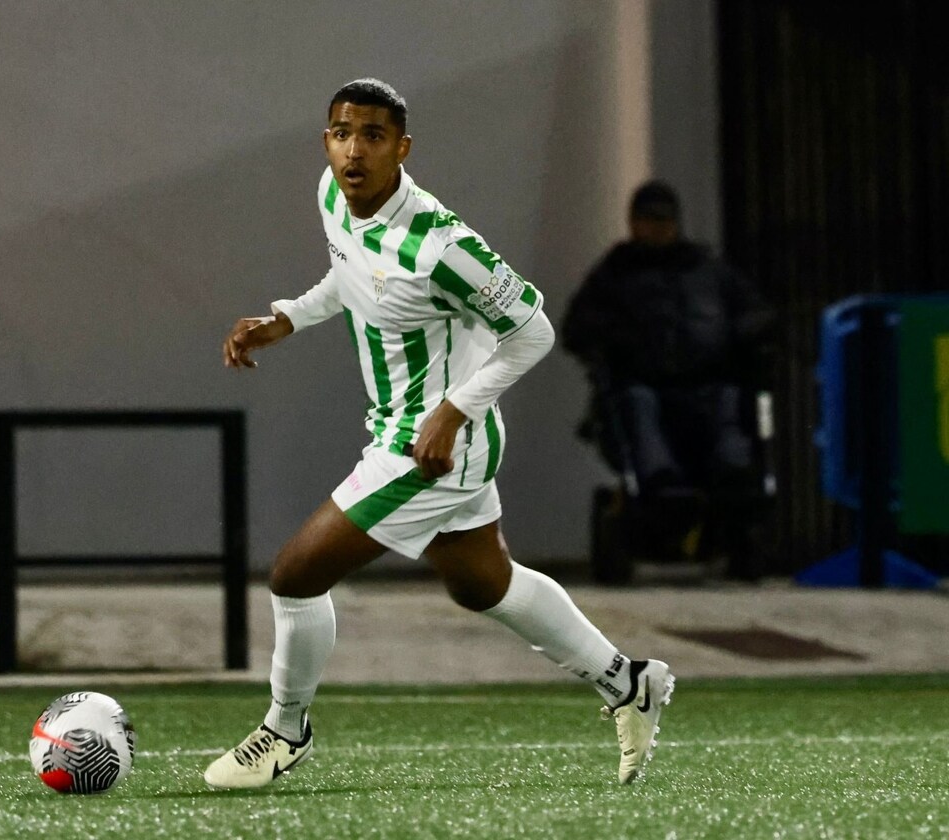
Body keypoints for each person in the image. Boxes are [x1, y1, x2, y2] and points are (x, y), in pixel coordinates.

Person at [207, 79, 673, 790]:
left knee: (296, 575)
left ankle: (284, 731)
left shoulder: (442, 244)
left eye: (371, 135)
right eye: (341, 132)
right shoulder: (334, 195)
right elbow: (351, 276)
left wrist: (452, 411)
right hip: (405, 432)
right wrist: (288, 317)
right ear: (326, 140)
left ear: (402, 147)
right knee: (482, 584)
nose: (353, 149)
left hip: (432, 449)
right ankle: (627, 682)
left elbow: (533, 331)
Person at [561, 181, 774, 574]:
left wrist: (743, 332)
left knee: (730, 405)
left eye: (663, 221)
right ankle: (658, 478)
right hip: (644, 384)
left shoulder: (707, 269)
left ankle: (734, 472)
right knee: (639, 406)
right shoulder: (616, 273)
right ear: (633, 223)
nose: (656, 229)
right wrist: (611, 340)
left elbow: (755, 310)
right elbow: (576, 326)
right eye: (647, 220)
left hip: (707, 382)